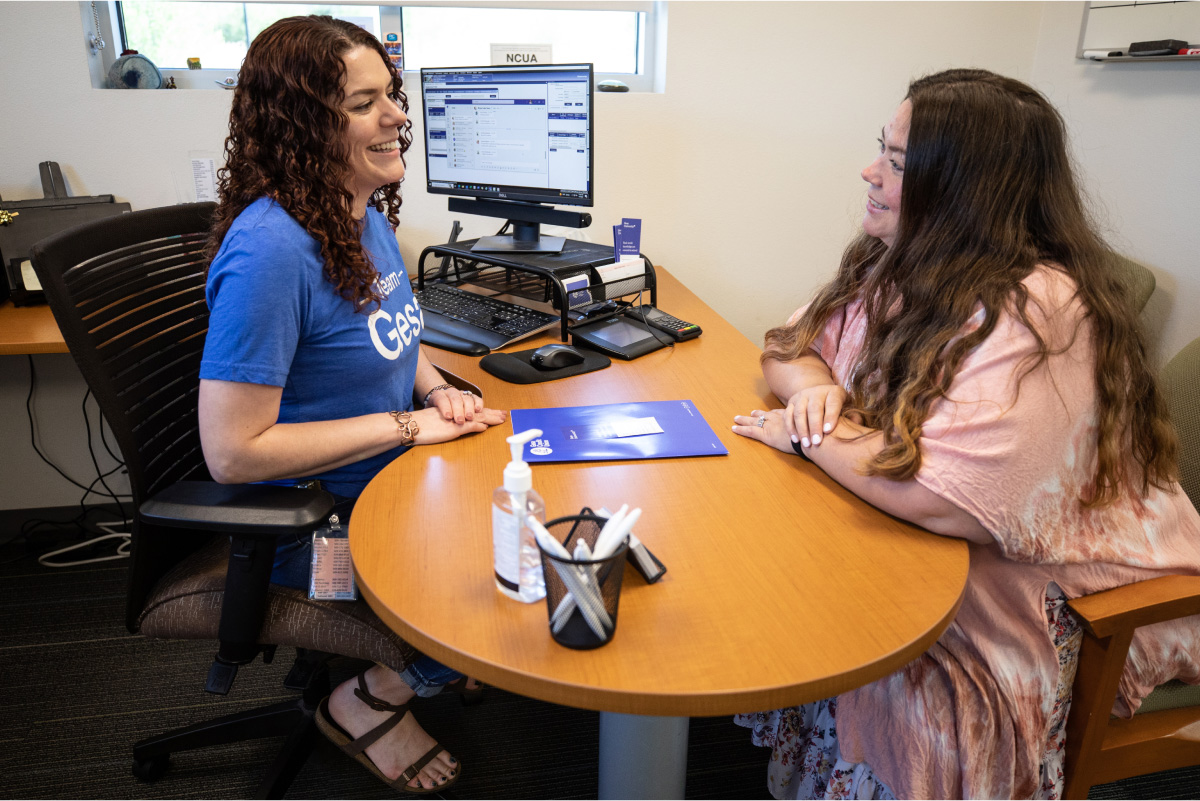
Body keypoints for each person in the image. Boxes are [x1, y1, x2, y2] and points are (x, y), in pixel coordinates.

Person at [731, 69, 1200, 799]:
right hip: (950, 531)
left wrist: (805, 438)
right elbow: (789, 345)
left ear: (963, 188)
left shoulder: (1041, 310)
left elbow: (948, 502)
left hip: (1062, 578)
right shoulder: (909, 261)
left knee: (884, 655)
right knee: (792, 576)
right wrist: (817, 393)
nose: (869, 171)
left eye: (897, 161)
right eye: (879, 149)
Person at [197, 16, 507, 793]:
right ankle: (365, 696)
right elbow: (232, 451)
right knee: (498, 598)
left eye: (391, 96)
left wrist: (440, 389)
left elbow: (391, 337)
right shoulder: (271, 251)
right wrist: (407, 424)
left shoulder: (358, 214)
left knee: (530, 523)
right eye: (366, 103)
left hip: (387, 478)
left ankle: (418, 664)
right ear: (303, 126)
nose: (398, 115)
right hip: (311, 516)